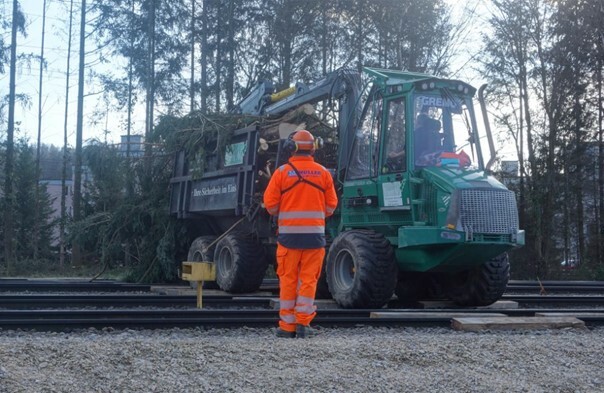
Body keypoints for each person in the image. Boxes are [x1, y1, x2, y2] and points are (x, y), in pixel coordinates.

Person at [263, 130, 338, 339]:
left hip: (288, 239)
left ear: (291, 148)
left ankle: (287, 327)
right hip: (314, 238)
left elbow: (270, 205)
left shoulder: (281, 173)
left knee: (288, 280)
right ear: (313, 148)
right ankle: (304, 324)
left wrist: (285, 212)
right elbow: (331, 206)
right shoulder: (323, 173)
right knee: (308, 281)